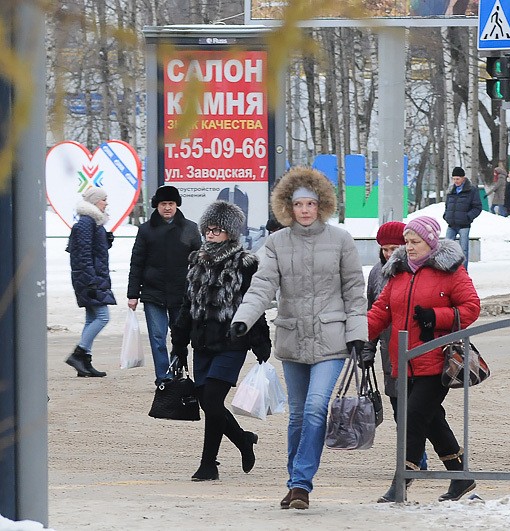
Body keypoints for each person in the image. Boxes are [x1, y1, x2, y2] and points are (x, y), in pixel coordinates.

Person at [230, 166, 367, 511]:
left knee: (316, 407)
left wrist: (357, 335)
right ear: (287, 208)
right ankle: (294, 482)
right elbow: (262, 286)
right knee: (297, 417)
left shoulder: (341, 240)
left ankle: (302, 483)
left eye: (310, 203)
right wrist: (243, 320)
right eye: (298, 204)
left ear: (321, 205)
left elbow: (354, 291)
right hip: (292, 338)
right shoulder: (276, 243)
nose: (304, 210)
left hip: (331, 339)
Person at [367, 215, 481, 503]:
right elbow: (381, 311)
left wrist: (437, 317)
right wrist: (357, 334)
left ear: (430, 242)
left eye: (415, 242)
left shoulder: (451, 272)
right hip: (402, 361)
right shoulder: (398, 272)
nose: (409, 247)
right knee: (432, 420)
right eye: (407, 242)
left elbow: (471, 307)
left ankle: (401, 481)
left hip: (436, 360)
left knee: (414, 416)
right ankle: (461, 477)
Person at [170, 200, 272, 482]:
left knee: (213, 400)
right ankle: (243, 440)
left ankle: (208, 464)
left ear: (230, 232)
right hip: (201, 343)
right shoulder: (196, 260)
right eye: (208, 229)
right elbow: (186, 305)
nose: (212, 234)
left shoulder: (244, 263)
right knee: (207, 402)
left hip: (231, 343)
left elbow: (254, 303)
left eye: (218, 229)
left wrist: (260, 340)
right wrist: (178, 343)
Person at [361, 221, 430, 472]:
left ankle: (419, 457)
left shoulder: (418, 270)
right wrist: (366, 348)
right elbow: (372, 312)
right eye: (385, 249)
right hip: (389, 351)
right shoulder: (376, 274)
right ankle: (413, 458)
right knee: (398, 406)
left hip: (421, 349)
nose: (389, 254)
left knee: (423, 409)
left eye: (394, 247)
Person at [127, 185, 201, 385]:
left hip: (182, 293)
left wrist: (198, 289)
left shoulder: (190, 228)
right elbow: (137, 262)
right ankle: (163, 377)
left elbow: (199, 262)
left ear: (177, 205)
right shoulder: (146, 230)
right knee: (158, 337)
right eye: (163, 204)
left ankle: (177, 371)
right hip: (153, 292)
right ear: (156, 206)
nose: (167, 208)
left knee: (180, 337)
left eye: (171, 203)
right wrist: (133, 293)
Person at [65, 187, 117, 377]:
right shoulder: (87, 223)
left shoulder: (93, 223)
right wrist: (91, 282)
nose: (106, 203)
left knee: (91, 318)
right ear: (95, 202)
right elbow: (83, 254)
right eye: (104, 199)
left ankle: (84, 362)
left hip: (92, 277)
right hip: (90, 279)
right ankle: (79, 353)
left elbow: (90, 249)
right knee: (103, 317)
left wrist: (106, 241)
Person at [443, 166, 482, 269]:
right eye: (454, 179)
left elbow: (477, 207)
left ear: (463, 178)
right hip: (451, 224)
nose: (455, 181)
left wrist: (468, 217)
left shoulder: (471, 190)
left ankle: (463, 271)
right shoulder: (451, 190)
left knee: (463, 249)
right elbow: (448, 205)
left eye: (458, 179)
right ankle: (448, 269)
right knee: (447, 248)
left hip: (464, 225)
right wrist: (446, 215)